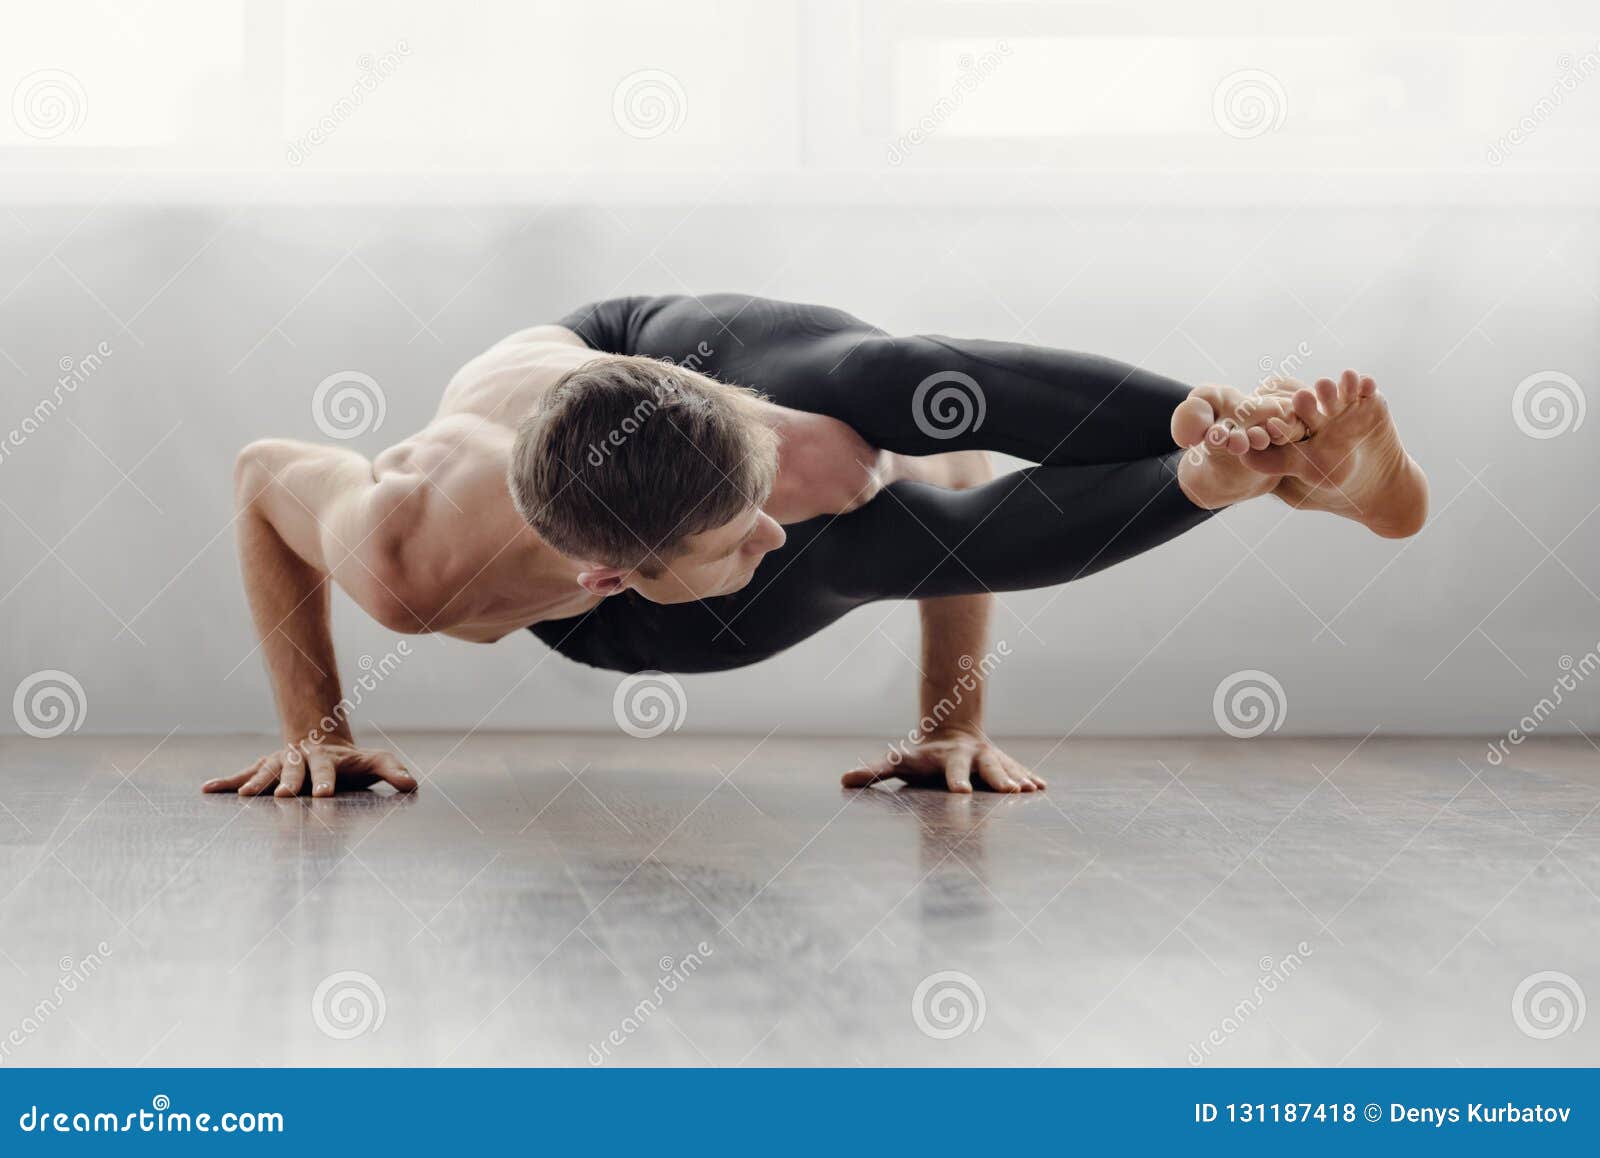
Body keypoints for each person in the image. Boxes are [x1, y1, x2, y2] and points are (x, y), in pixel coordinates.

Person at [203, 293, 1427, 799]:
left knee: (882, 387)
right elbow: (265, 477)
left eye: (759, 494)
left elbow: (927, 443)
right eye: (742, 536)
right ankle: (1216, 482)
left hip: (648, 366)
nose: (775, 526)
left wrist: (766, 430)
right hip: (625, 620)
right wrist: (317, 735)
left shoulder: (739, 433)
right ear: (615, 572)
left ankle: (1240, 439)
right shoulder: (407, 563)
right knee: (868, 545)